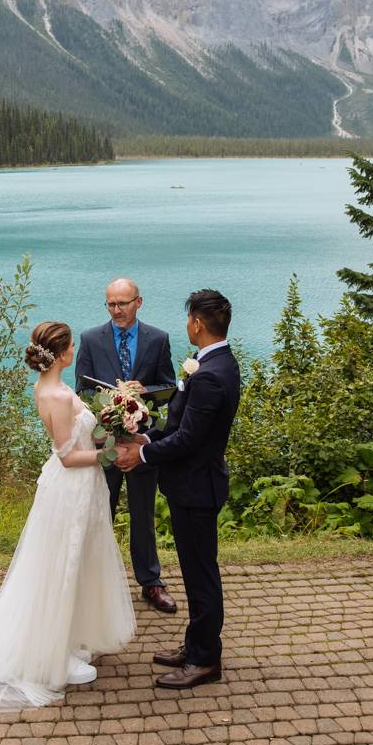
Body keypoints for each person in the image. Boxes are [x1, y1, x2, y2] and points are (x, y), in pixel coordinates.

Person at [0, 321, 135, 711]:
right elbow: (67, 458)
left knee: (77, 562)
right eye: (69, 346)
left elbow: (77, 438)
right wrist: (110, 455)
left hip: (80, 489)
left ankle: (68, 637)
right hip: (72, 489)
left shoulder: (48, 387)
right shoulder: (59, 396)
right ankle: (52, 652)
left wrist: (113, 423)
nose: (73, 351)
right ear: (62, 352)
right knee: (62, 565)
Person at [116, 289, 239, 690]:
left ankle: (205, 660)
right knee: (193, 571)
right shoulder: (213, 364)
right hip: (193, 484)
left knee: (202, 576)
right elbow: (181, 430)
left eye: (189, 319)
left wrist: (143, 456)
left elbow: (188, 440)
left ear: (198, 324)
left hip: (197, 488)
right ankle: (195, 644)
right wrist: (149, 440)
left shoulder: (210, 376)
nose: (187, 325)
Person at [73, 278, 178, 615]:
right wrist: (108, 401)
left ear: (139, 302)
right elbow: (81, 392)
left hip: (141, 443)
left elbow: (169, 388)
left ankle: (151, 583)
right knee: (98, 514)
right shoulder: (90, 339)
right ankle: (92, 585)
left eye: (123, 303)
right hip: (103, 445)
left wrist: (143, 391)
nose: (117, 310)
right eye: (111, 304)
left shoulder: (158, 339)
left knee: (143, 516)